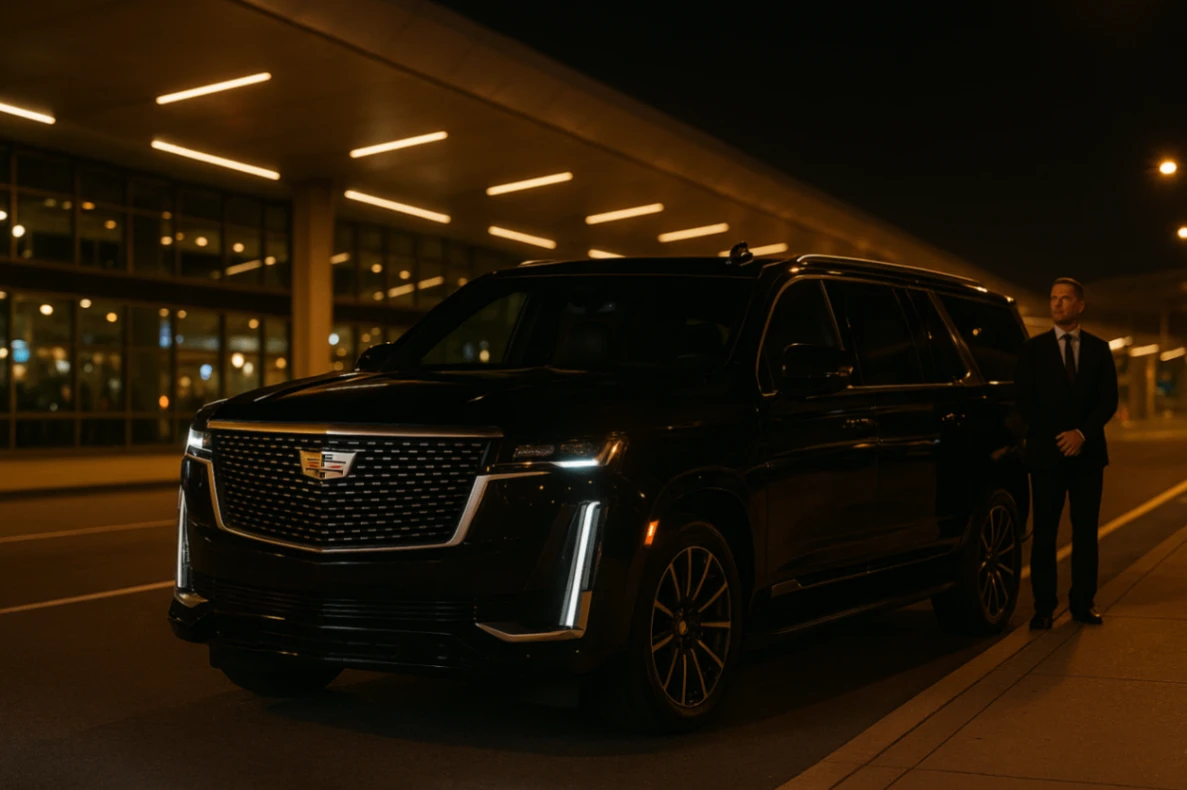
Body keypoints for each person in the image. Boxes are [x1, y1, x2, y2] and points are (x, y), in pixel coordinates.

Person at [1015, 278, 1118, 629]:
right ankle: (1044, 607)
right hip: (1047, 454)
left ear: (1080, 306)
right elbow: (1025, 401)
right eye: (1053, 299)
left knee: (1086, 532)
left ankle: (1082, 603)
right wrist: (1058, 436)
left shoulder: (1099, 350)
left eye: (1065, 299)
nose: (1057, 304)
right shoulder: (1033, 350)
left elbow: (1108, 401)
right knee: (1045, 532)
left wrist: (1081, 434)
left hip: (1088, 455)